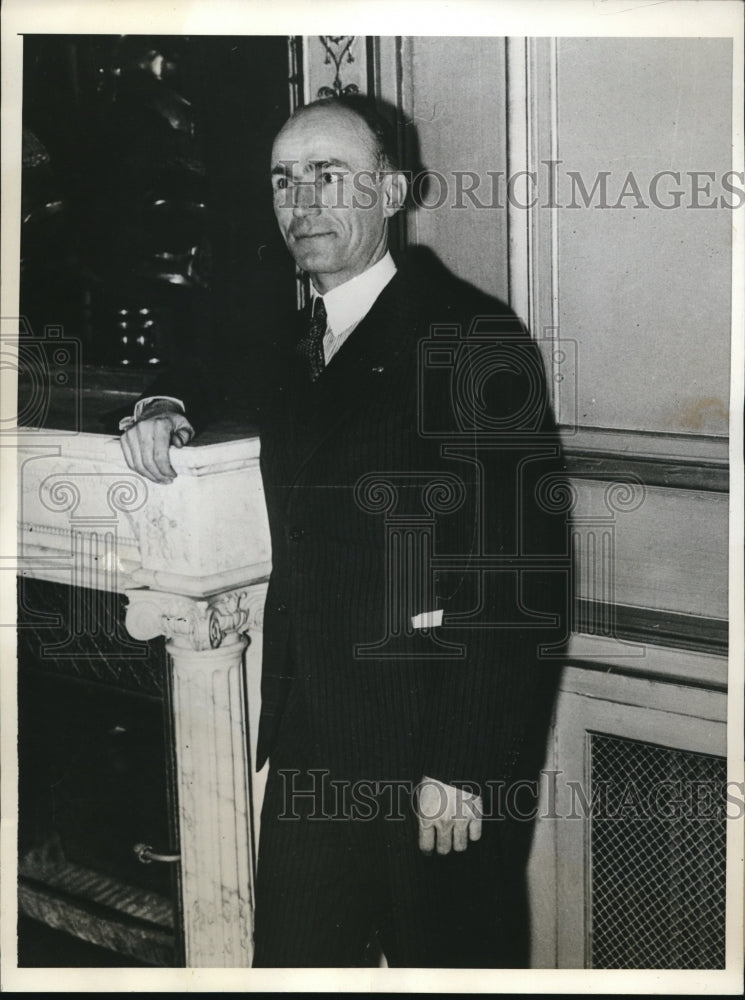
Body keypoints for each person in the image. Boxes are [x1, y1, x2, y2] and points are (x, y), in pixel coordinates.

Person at [120, 94, 568, 968]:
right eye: (285, 181)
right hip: (315, 743)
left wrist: (463, 769)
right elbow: (225, 378)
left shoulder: (470, 338)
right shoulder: (305, 338)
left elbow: (523, 571)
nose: (302, 203)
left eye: (329, 176)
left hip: (431, 748)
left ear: (393, 191)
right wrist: (165, 404)